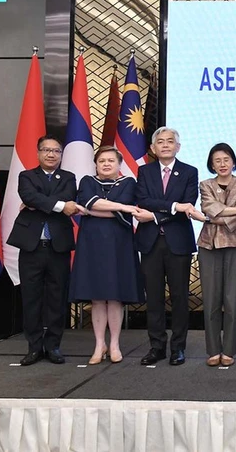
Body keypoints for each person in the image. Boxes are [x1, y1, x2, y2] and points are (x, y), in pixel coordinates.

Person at [69, 146, 149, 364]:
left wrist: (102, 209)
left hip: (119, 244)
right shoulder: (87, 181)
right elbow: (89, 203)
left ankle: (114, 344)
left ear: (119, 164)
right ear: (96, 164)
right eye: (101, 160)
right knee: (97, 297)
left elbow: (93, 208)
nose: (106, 164)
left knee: (115, 296)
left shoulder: (129, 183)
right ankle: (98, 345)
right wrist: (123, 208)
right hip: (91, 244)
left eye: (111, 161)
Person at [6, 135, 79, 366]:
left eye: (56, 151)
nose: (51, 154)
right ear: (38, 153)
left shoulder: (69, 177)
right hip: (31, 247)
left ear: (61, 155)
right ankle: (34, 347)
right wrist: (58, 206)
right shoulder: (26, 175)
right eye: (46, 150)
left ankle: (53, 346)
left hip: (58, 247)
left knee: (57, 299)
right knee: (31, 298)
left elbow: (67, 199)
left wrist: (38, 203)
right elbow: (28, 196)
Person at [135, 127, 204, 366]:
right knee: (153, 297)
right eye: (160, 142)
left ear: (178, 147)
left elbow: (189, 204)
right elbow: (143, 200)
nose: (165, 145)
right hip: (151, 243)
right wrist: (174, 206)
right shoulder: (144, 171)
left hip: (178, 243)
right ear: (153, 148)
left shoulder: (189, 172)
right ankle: (156, 347)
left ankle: (178, 348)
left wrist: (156, 215)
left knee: (179, 297)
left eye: (170, 141)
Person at [197, 143, 236, 367]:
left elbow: (230, 220)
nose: (222, 164)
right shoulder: (205, 185)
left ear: (233, 162)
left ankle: (228, 350)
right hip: (208, 246)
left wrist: (215, 216)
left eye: (226, 159)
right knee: (210, 300)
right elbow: (211, 209)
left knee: (232, 300)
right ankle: (212, 350)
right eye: (217, 160)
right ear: (211, 164)